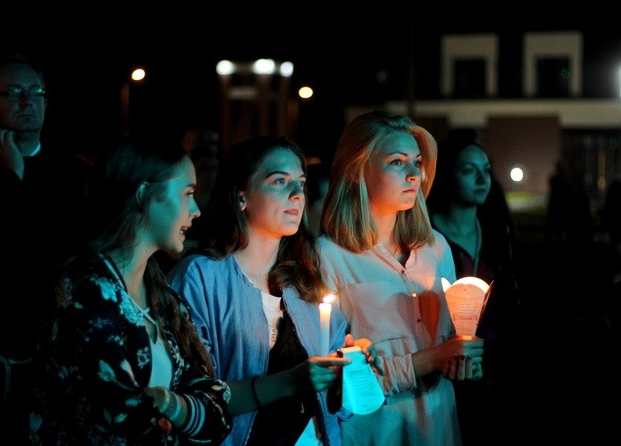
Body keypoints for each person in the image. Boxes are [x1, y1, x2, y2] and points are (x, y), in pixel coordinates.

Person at [167, 135, 380, 446]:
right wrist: (289, 381)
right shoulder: (200, 277)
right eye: (280, 181)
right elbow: (191, 395)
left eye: (302, 184)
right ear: (241, 196)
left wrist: (350, 367)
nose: (297, 194)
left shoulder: (304, 282)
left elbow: (341, 406)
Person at [28, 131, 233, 444]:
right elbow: (124, 418)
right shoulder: (86, 290)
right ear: (143, 195)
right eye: (186, 193)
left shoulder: (162, 296)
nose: (196, 210)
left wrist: (175, 408)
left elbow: (217, 406)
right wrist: (182, 412)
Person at [317, 110, 484, 446]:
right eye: (397, 162)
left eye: (417, 162)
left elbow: (450, 340)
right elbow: (338, 377)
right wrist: (432, 359)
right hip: (375, 431)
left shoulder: (435, 247)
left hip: (439, 426)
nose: (414, 175)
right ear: (358, 170)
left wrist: (462, 360)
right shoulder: (329, 255)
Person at [0, 52, 89, 443]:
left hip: (50, 349)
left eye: (36, 92)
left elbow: (58, 250)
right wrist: (10, 178)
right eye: (13, 92)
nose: (27, 101)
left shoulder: (74, 175)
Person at [427, 129, 524, 445]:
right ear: (447, 174)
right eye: (469, 170)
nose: (482, 179)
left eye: (486, 170)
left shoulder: (499, 234)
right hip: (446, 375)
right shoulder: (428, 239)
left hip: (499, 376)